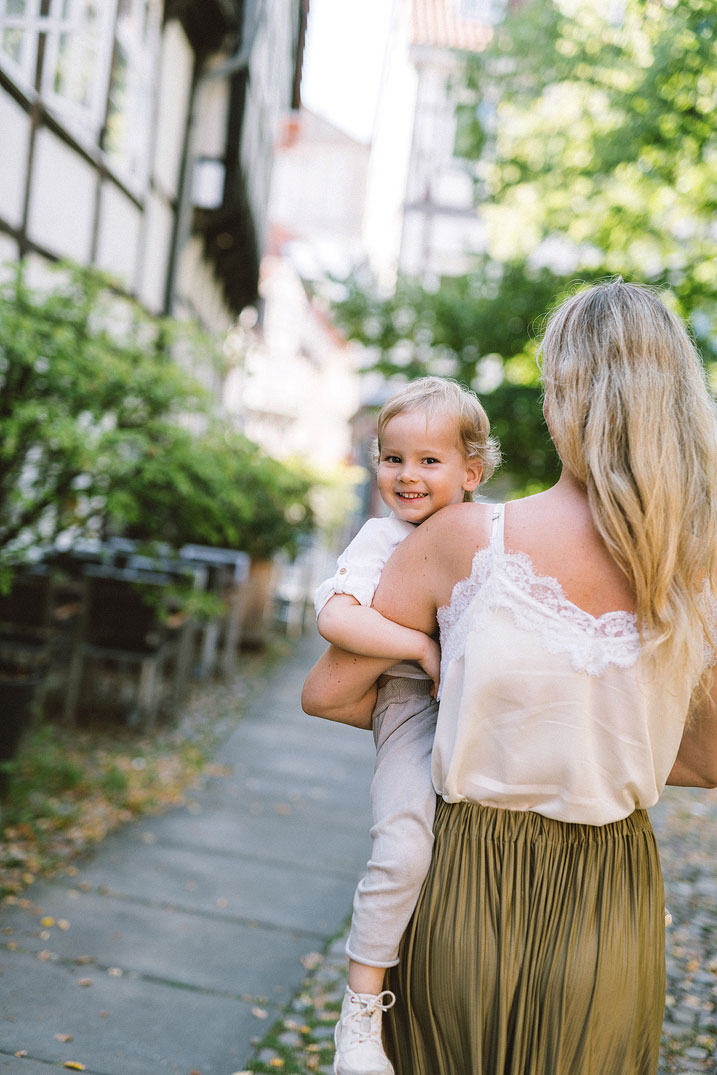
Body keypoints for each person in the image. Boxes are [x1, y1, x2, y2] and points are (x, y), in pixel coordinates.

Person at [302, 280, 717, 1075]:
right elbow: (703, 758)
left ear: (560, 397)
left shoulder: (464, 538)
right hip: (613, 902)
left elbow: (328, 691)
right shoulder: (694, 572)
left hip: (464, 883)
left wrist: (484, 707)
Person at [310, 377, 500, 1075]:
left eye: (429, 460)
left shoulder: (495, 531)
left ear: (470, 472)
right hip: (409, 702)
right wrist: (417, 646)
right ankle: (359, 1012)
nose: (407, 475)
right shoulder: (380, 534)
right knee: (401, 847)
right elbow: (335, 616)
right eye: (393, 458)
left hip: (484, 703)